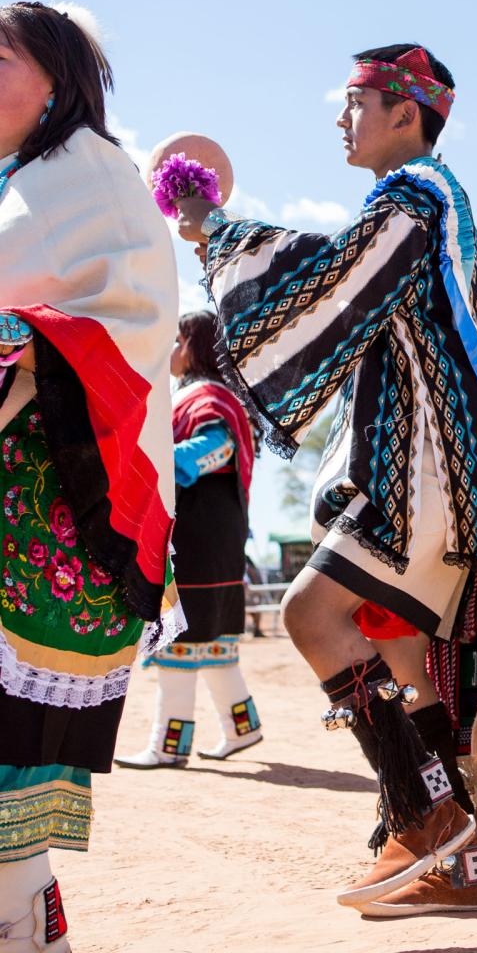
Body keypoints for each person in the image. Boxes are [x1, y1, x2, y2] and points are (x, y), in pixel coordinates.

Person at [176, 41, 477, 916]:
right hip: (444, 475)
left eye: (355, 103)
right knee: (393, 650)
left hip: (428, 473)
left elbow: (330, 284)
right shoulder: (425, 204)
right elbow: (344, 272)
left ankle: (427, 817)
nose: (340, 119)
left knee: (315, 616)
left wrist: (222, 235)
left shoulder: (415, 197)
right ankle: (464, 860)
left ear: (405, 113)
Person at [0, 2, 179, 951]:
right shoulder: (16, 184)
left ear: (58, 82)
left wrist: (20, 337)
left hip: (48, 511)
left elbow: (136, 319)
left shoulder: (93, 182)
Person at [116, 310, 261, 769]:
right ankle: (244, 729)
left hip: (200, 540)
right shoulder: (201, 396)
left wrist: (160, 463)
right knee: (214, 645)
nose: (173, 351)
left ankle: (169, 744)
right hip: (212, 537)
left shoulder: (209, 396)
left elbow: (217, 448)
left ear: (197, 346)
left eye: (179, 341)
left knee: (179, 638)